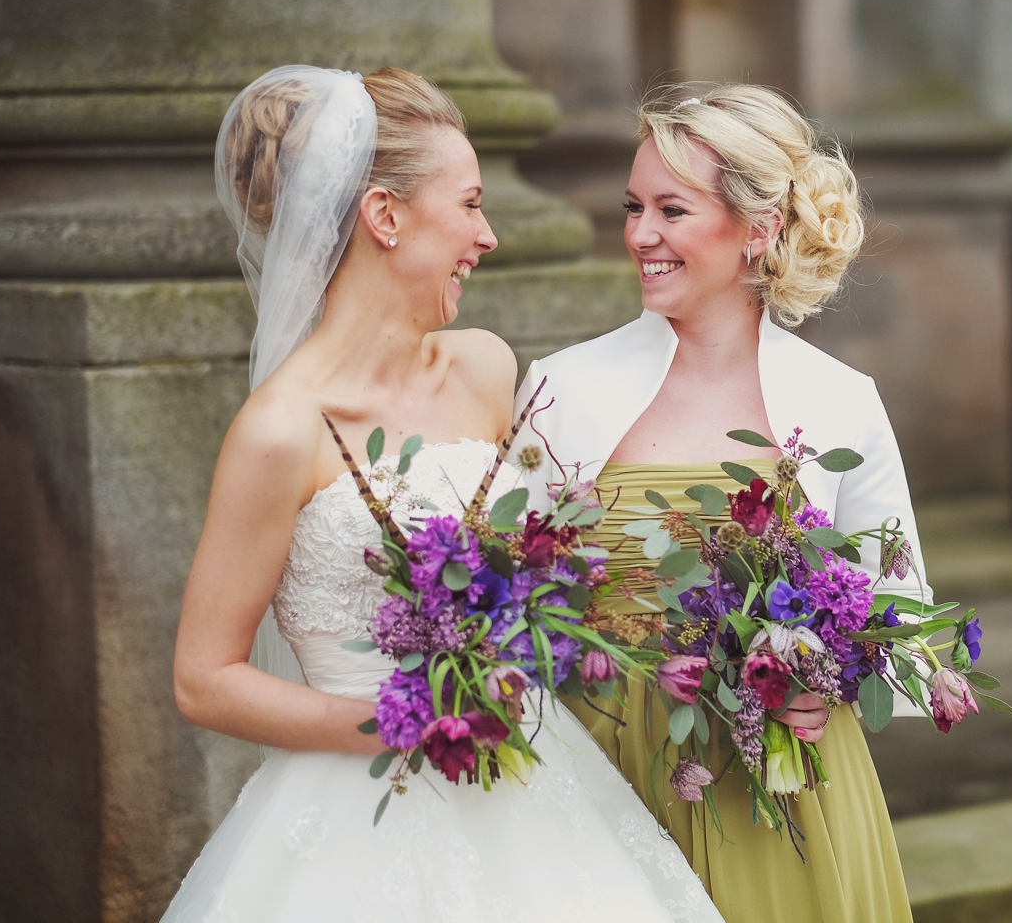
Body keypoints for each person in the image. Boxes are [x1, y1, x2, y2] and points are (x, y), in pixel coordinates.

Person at [164, 65, 722, 922]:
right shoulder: (280, 431)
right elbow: (205, 680)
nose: (489, 235)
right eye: (468, 204)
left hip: (538, 788)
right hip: (359, 818)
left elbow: (541, 562)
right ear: (385, 216)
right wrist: (412, 722)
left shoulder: (485, 366)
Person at [512, 83, 930, 923]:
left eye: (672, 209)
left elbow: (906, 618)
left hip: (782, 791)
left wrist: (834, 682)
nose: (640, 235)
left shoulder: (841, 399)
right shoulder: (562, 387)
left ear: (760, 227)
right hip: (607, 787)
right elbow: (515, 609)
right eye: (634, 207)